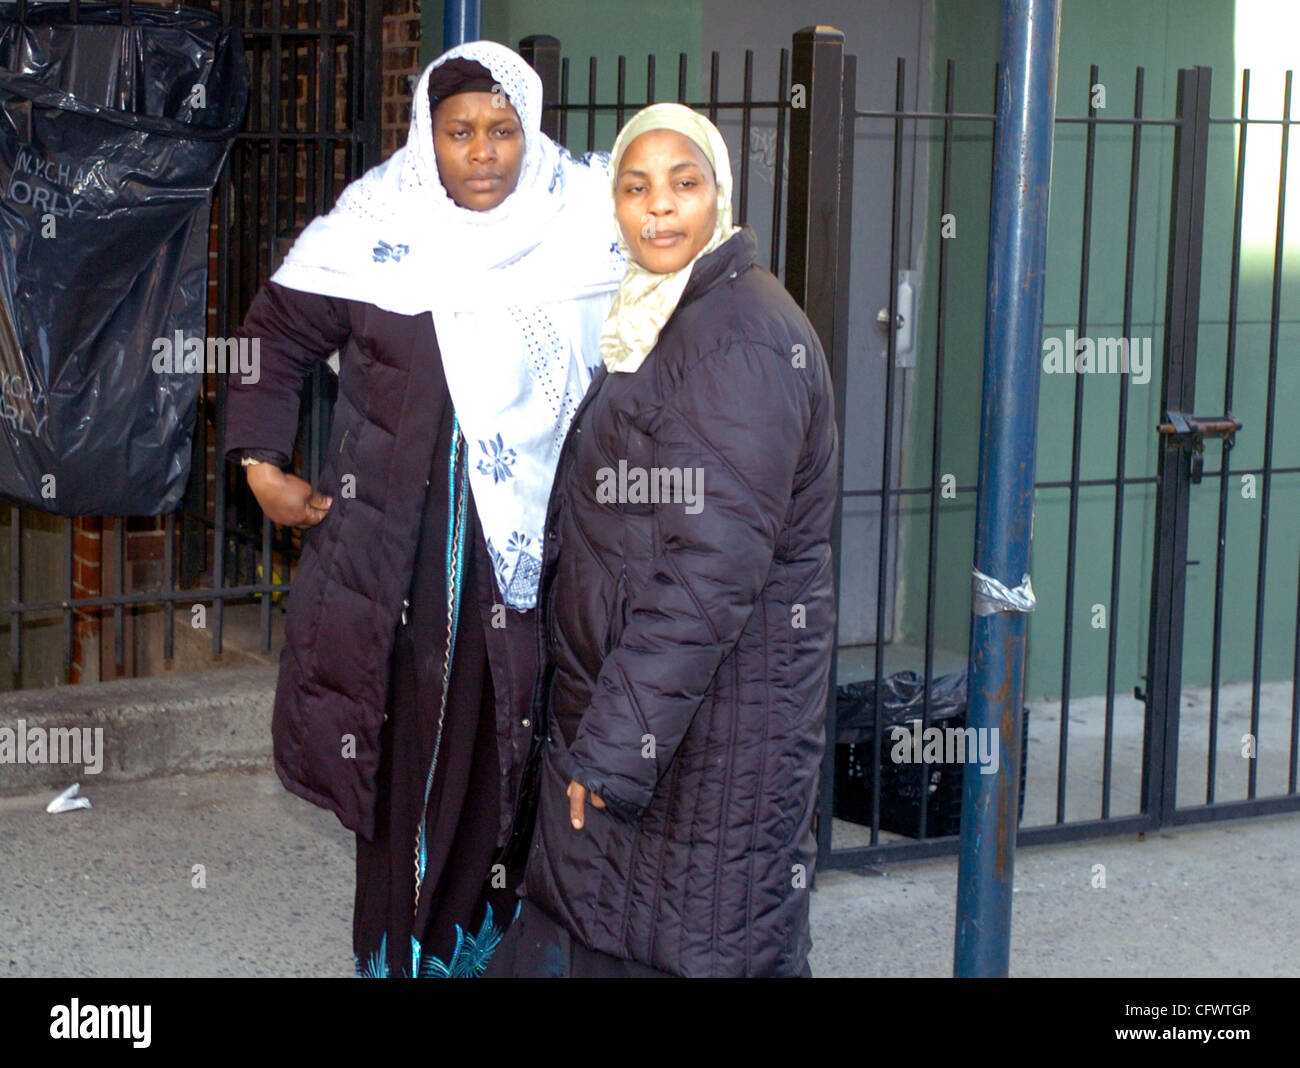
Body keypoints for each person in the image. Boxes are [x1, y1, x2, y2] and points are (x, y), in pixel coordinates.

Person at [221, 40, 623, 978]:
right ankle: (400, 958)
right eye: (458, 133)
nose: (482, 154)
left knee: (506, 752)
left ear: (529, 135)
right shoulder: (378, 228)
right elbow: (271, 338)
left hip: (523, 554)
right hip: (393, 562)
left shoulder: (577, 231)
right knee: (399, 758)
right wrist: (258, 462)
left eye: (502, 131)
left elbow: (656, 337)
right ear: (425, 137)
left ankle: (489, 950)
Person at [485, 103, 839, 978]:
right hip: (662, 721)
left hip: (707, 731)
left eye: (684, 184)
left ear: (720, 194)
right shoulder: (665, 313)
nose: (660, 208)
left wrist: (611, 754)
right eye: (637, 188)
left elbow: (706, 576)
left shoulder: (741, 341)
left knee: (696, 939)